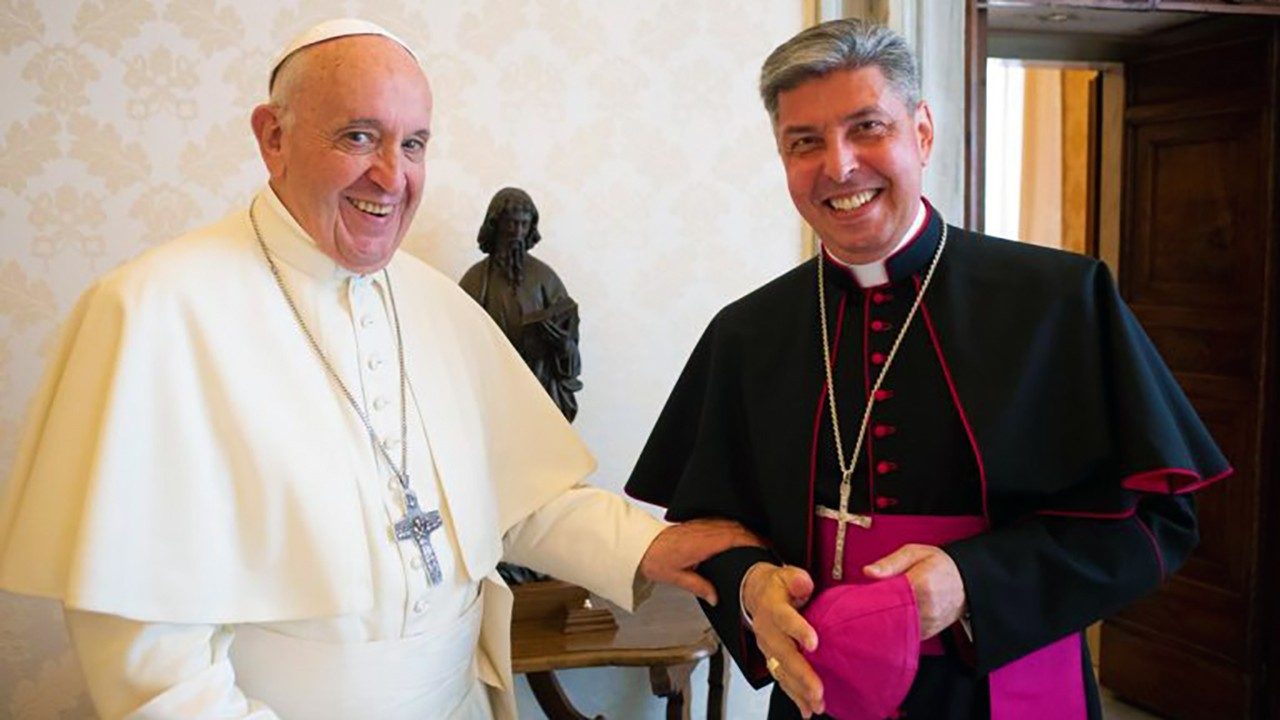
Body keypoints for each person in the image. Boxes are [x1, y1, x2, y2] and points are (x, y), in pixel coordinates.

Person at [0, 19, 758, 720]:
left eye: (415, 144)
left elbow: (517, 500)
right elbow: (147, 655)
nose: (392, 177)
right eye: (359, 136)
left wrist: (644, 546)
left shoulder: (435, 303)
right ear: (273, 137)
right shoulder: (151, 312)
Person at [625, 18, 1230, 720]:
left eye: (867, 128)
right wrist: (752, 587)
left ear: (922, 132)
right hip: (822, 688)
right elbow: (711, 527)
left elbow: (1159, 519)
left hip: (1005, 682)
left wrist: (972, 582)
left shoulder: (1059, 301)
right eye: (805, 142)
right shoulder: (748, 332)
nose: (839, 166)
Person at [460, 187, 583, 422]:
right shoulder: (475, 279)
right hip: (490, 394)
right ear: (496, 225)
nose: (517, 232)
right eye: (511, 224)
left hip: (538, 392)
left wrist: (562, 345)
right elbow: (456, 343)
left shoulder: (546, 279)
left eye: (523, 225)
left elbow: (570, 350)